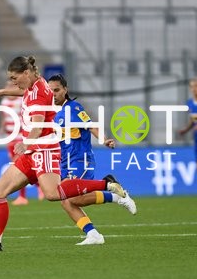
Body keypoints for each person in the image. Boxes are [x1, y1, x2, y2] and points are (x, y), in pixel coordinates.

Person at [0, 55, 135, 250]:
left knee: (55, 195)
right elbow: (22, 91)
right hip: (34, 151)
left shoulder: (39, 95)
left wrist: (26, 143)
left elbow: (38, 126)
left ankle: (107, 184)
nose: (13, 82)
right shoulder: (36, 84)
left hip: (45, 149)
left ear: (26, 73)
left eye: (14, 77)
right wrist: (2, 91)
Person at [47, 74, 136, 240]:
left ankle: (116, 195)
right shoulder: (57, 115)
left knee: (72, 199)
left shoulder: (73, 108)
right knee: (67, 201)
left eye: (57, 90)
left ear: (65, 90)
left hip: (80, 160)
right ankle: (93, 233)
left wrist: (104, 140)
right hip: (66, 164)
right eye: (50, 91)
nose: (53, 94)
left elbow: (90, 126)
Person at [0, 82, 44, 205]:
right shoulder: (3, 102)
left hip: (20, 137)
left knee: (18, 164)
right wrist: (2, 126)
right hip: (10, 137)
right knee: (22, 165)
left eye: (12, 86)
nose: (9, 88)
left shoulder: (21, 101)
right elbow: (4, 116)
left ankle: (22, 197)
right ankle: (40, 187)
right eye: (7, 86)